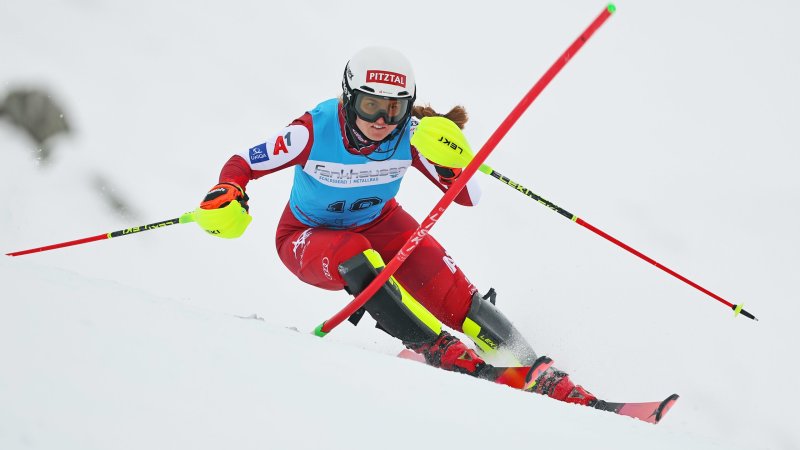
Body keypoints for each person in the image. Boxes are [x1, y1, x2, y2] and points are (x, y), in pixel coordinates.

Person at [193, 46, 597, 406]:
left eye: (395, 108)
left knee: (454, 292)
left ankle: (537, 371)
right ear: (349, 98)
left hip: (380, 223)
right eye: (371, 106)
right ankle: (439, 349)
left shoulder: (412, 134)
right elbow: (244, 162)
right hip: (306, 236)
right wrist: (229, 189)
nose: (383, 120)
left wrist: (449, 158)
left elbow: (468, 195)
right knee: (355, 254)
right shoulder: (312, 130)